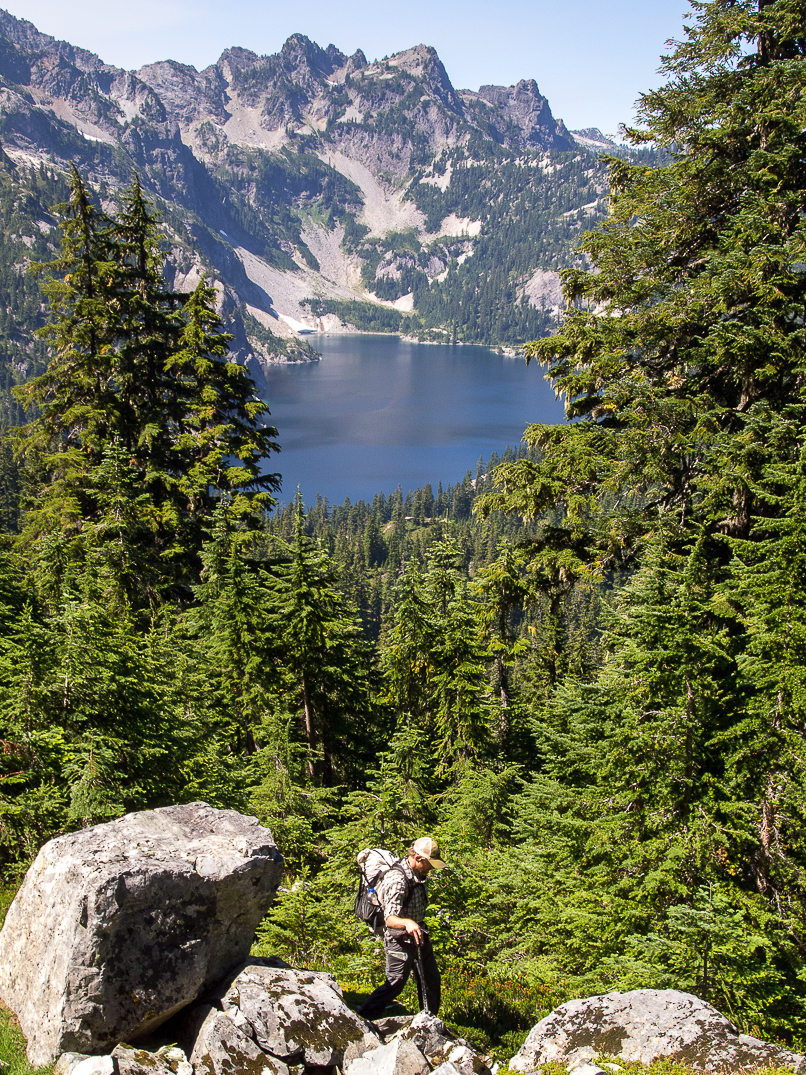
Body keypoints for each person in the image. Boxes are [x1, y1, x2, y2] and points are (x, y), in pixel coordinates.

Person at [356, 836, 446, 1021]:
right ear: (418, 858)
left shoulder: (418, 873)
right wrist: (407, 923)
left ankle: (429, 1022)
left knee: (431, 980)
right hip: (399, 939)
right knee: (395, 983)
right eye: (429, 863)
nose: (431, 868)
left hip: (418, 935)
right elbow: (390, 919)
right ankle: (363, 1017)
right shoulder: (397, 879)